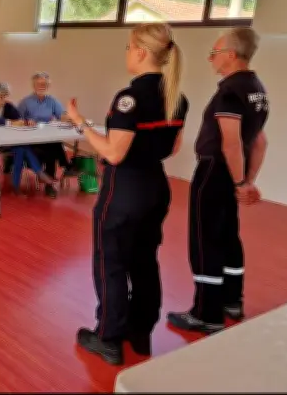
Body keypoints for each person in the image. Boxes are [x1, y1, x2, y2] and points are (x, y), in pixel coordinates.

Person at [67, 23, 189, 365]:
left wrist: (80, 123)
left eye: (127, 46)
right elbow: (173, 147)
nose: (125, 53)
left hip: (125, 190)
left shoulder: (129, 98)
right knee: (144, 260)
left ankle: (108, 336)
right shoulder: (177, 96)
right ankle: (140, 330)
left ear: (140, 52)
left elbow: (114, 153)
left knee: (111, 262)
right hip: (155, 186)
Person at [167, 28, 268, 334]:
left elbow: (231, 143)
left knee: (205, 240)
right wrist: (247, 180)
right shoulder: (256, 89)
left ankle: (206, 314)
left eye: (215, 51)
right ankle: (231, 302)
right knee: (227, 237)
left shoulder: (230, 91)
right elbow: (260, 141)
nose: (211, 58)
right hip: (231, 174)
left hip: (214, 172)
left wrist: (239, 184)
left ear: (231, 55)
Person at [0, 82, 62, 196]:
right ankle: (38, 174)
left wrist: (27, 121)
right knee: (22, 148)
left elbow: (19, 118)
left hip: (7, 141)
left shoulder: (8, 106)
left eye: (5, 95)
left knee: (21, 148)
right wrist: (11, 123)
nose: (3, 99)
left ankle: (16, 186)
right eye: (0, 96)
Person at [17, 72, 75, 198]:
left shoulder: (52, 101)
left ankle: (50, 184)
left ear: (48, 86)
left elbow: (62, 115)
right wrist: (26, 122)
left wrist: (71, 116)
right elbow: (16, 120)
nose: (42, 86)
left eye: (44, 84)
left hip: (47, 138)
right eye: (39, 84)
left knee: (53, 145)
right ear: (33, 85)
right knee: (54, 146)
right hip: (30, 140)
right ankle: (66, 166)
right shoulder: (25, 102)